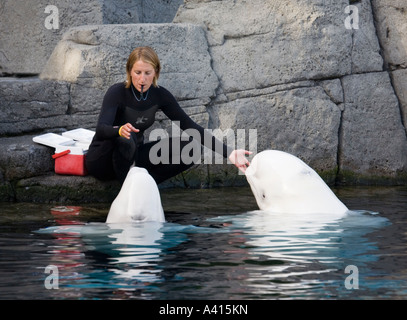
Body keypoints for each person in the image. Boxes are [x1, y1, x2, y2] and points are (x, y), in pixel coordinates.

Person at [85, 46, 251, 184]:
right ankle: (127, 190)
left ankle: (148, 184)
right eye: (137, 72)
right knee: (126, 138)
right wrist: (119, 130)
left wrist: (229, 152)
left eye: (147, 73)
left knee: (191, 148)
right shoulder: (117, 92)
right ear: (129, 71)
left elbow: (190, 126)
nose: (142, 79)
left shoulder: (160, 95)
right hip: (102, 161)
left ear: (156, 72)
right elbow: (101, 129)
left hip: (133, 156)